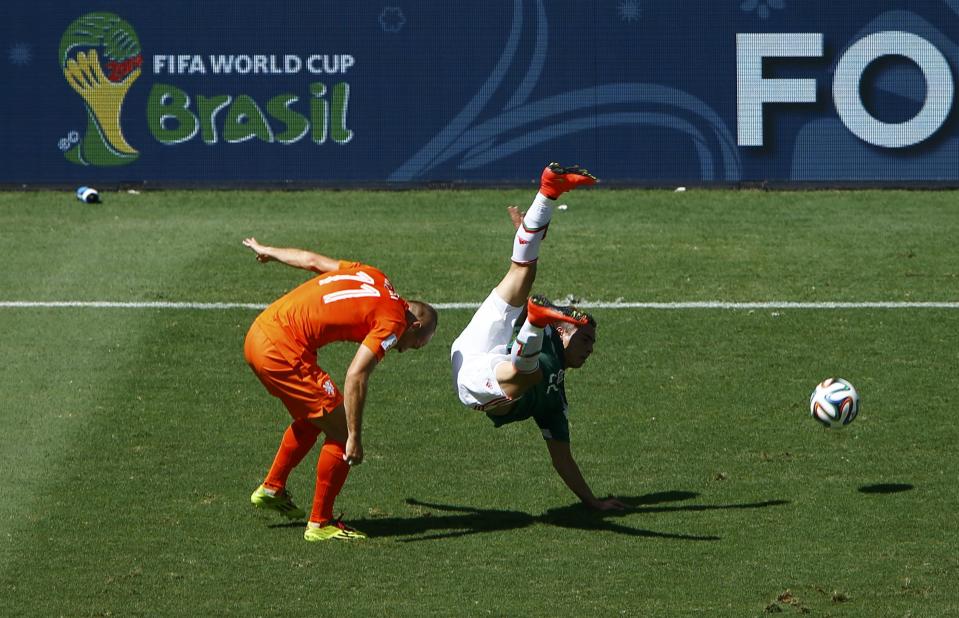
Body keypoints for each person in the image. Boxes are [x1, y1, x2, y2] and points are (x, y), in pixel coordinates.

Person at [450, 163, 627, 511]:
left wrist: (593, 502)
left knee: (528, 371)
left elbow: (562, 459)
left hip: (487, 362)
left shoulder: (554, 401)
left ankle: (547, 193)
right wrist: (526, 240)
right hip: (473, 372)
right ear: (561, 330)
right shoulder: (550, 347)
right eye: (585, 339)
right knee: (524, 272)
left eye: (591, 343)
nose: (589, 350)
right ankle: (548, 190)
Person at [242, 238, 438, 541]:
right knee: (340, 431)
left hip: (259, 332)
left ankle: (272, 488)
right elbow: (357, 375)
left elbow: (312, 261)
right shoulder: (393, 323)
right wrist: (354, 437)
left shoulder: (375, 275)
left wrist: (271, 252)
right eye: (415, 345)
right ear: (414, 327)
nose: (405, 350)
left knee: (318, 414)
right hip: (282, 349)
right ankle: (321, 524)